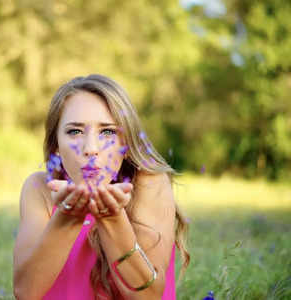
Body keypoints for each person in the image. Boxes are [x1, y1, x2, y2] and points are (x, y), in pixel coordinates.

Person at [13, 74, 190, 300]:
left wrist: (112, 219)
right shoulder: (40, 189)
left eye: (107, 132)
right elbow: (25, 292)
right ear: (56, 144)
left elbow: (149, 296)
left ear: (125, 142)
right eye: (75, 131)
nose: (91, 148)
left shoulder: (149, 184)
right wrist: (68, 217)